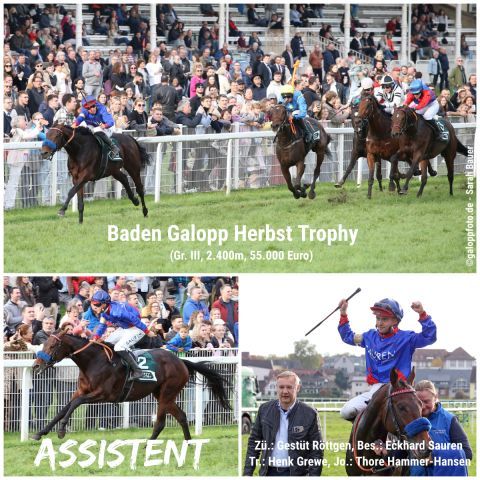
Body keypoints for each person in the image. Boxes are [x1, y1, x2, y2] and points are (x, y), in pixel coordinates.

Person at [337, 297, 437, 421]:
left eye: (384, 319)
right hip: (376, 389)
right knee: (346, 412)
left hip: (399, 389)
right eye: (378, 318)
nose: (379, 323)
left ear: (395, 320)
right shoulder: (368, 337)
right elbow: (347, 336)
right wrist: (343, 314)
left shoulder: (407, 338)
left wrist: (422, 314)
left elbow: (430, 336)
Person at [244, 371, 323, 476]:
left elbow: (316, 451)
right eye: (281, 387)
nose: (285, 391)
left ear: (297, 388)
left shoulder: (310, 414)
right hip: (268, 472)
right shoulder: (264, 410)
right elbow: (254, 444)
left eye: (289, 387)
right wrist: (247, 474)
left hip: (296, 474)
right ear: (277, 388)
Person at [89, 290, 156, 380]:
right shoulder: (104, 311)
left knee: (119, 347)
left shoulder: (117, 312)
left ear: (104, 304)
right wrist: (96, 337)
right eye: (93, 303)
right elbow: (102, 325)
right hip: (125, 328)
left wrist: (147, 331)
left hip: (137, 328)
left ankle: (137, 371)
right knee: (106, 343)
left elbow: (134, 319)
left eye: (97, 304)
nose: (94, 307)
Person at [410, 380, 472, 476]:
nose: (422, 406)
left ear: (436, 398)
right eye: (418, 402)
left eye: (426, 401)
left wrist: (434, 457)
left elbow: (467, 453)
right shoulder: (410, 419)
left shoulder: (449, 419)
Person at [72, 95, 121, 161]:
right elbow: (79, 119)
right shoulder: (84, 111)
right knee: (85, 129)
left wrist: (105, 125)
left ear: (95, 104)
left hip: (107, 128)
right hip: (93, 127)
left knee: (96, 130)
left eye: (93, 106)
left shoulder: (102, 109)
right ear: (86, 109)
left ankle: (114, 147)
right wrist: (74, 125)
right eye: (89, 108)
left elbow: (110, 122)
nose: (92, 109)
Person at [279, 84, 318, 150]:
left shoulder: (299, 96)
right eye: (284, 97)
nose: (286, 99)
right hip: (289, 112)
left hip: (298, 111)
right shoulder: (282, 97)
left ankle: (308, 133)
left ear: (292, 95)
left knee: (295, 113)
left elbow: (303, 113)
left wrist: (294, 117)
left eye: (289, 97)